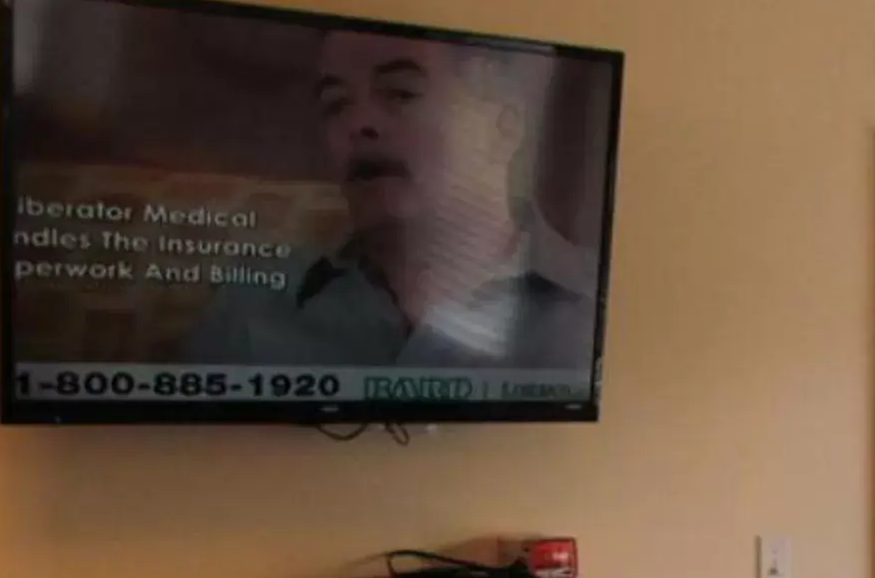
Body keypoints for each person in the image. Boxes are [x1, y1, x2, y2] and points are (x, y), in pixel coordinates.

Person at [187, 28, 594, 371]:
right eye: (335, 104)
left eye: (400, 93)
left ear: (504, 127)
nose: (358, 123)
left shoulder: (595, 305)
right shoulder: (254, 304)